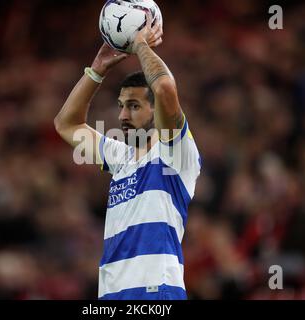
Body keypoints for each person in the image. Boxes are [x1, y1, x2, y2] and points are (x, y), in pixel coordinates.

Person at [54, 13, 201, 300]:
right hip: (111, 296)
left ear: (155, 109)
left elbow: (165, 87)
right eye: (121, 106)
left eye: (133, 106)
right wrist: (96, 70)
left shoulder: (175, 153)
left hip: (156, 295)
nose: (122, 115)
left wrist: (140, 45)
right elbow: (66, 124)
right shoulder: (121, 158)